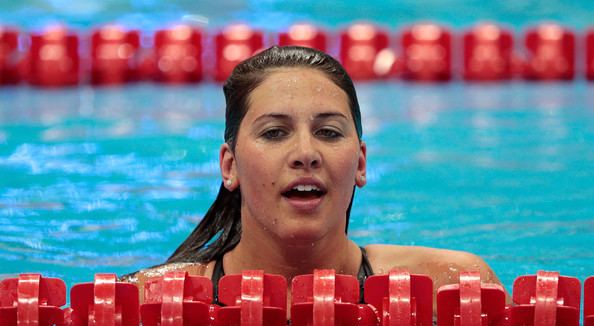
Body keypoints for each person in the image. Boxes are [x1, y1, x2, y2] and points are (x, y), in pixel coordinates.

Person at [123, 45, 503, 305]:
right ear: (230, 165)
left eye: (329, 133)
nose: (306, 154)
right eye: (274, 133)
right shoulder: (146, 301)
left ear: (360, 163)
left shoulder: (447, 288)